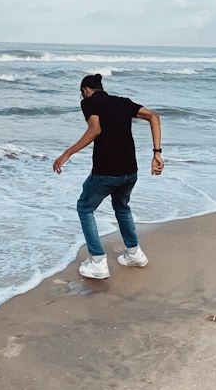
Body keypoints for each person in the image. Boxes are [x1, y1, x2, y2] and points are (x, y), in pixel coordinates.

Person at [52, 73, 163, 279]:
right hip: (130, 170)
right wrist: (157, 154)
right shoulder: (123, 102)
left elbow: (95, 130)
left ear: (85, 91)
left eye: (82, 94)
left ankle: (98, 261)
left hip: (106, 171)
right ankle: (134, 254)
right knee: (122, 207)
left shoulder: (89, 102)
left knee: (85, 208)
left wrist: (66, 153)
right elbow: (154, 117)